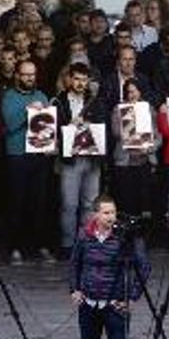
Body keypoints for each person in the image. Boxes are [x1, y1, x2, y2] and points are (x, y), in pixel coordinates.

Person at [70, 195, 151, 339]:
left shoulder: (125, 237)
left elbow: (144, 267)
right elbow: (74, 263)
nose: (110, 217)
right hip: (89, 303)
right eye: (105, 213)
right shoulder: (84, 235)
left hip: (115, 304)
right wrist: (75, 289)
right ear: (95, 214)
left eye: (113, 212)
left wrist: (132, 296)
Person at [1, 59, 54, 264]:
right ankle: (15, 247)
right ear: (17, 76)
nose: (29, 78)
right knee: (17, 202)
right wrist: (27, 111)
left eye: (32, 74)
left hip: (39, 155)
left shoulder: (42, 96)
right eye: (25, 74)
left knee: (39, 202)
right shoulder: (9, 96)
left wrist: (50, 145)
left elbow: (48, 126)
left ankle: (40, 245)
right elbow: (10, 125)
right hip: (17, 155)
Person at [53, 63, 107, 255]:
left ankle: (86, 242)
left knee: (90, 203)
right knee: (69, 204)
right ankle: (67, 245)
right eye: (76, 79)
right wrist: (70, 125)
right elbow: (53, 131)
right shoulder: (58, 102)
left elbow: (103, 126)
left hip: (92, 159)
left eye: (84, 80)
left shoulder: (96, 101)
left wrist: (89, 124)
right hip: (70, 160)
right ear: (69, 79)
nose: (80, 83)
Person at [110, 80, 160, 217]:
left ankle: (144, 234)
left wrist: (150, 148)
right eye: (129, 92)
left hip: (145, 160)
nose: (132, 94)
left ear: (140, 92)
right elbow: (115, 132)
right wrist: (130, 117)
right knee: (127, 199)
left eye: (134, 91)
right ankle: (128, 234)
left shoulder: (149, 109)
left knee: (145, 199)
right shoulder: (118, 108)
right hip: (125, 161)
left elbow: (157, 136)